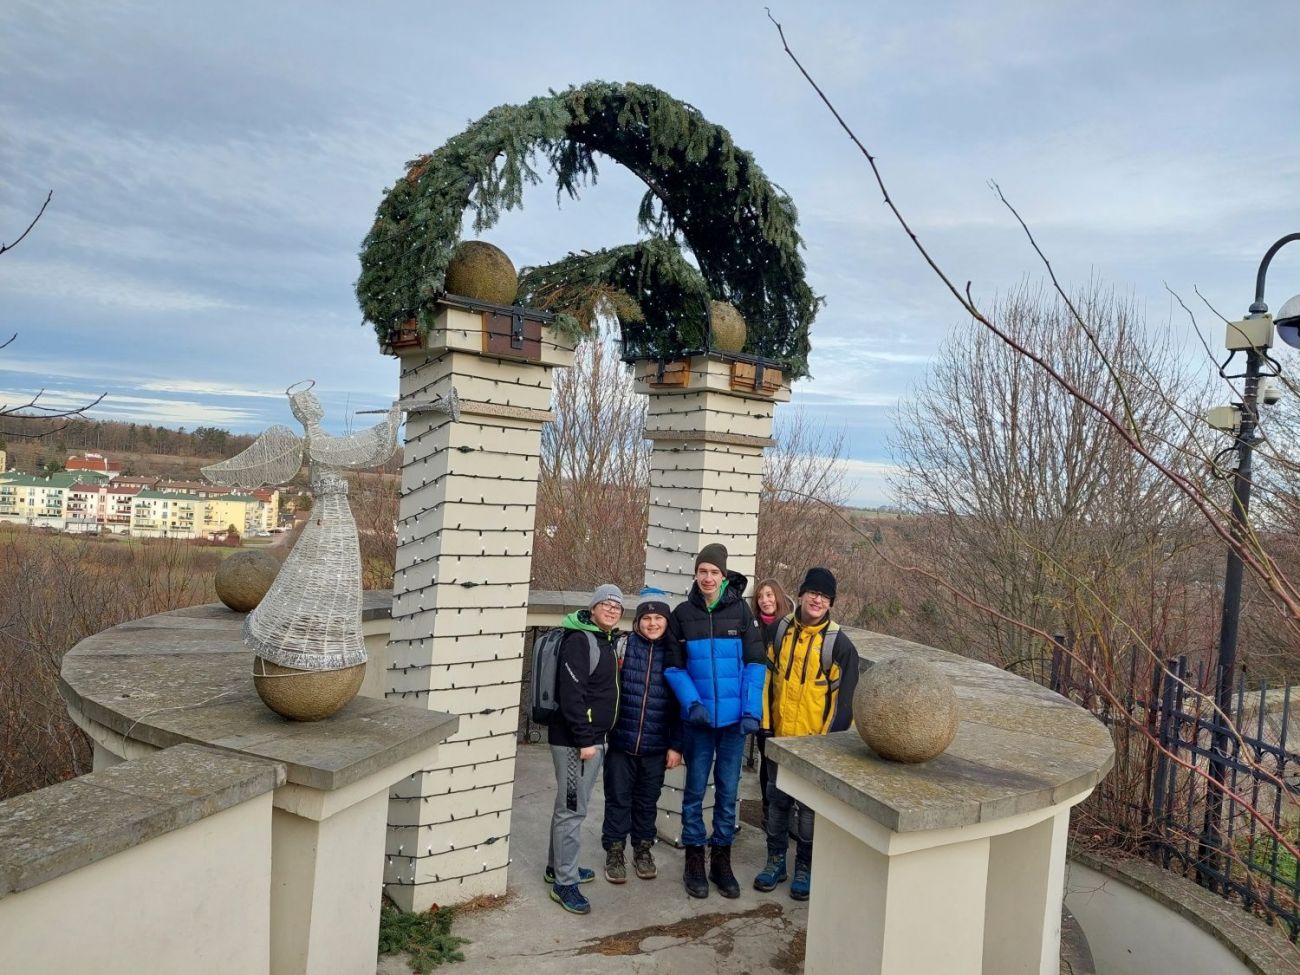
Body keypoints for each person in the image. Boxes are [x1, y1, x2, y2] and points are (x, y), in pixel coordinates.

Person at [665, 543, 766, 899]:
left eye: (714, 572)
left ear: (723, 577)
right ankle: (694, 857)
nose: (708, 578)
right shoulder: (681, 615)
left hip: (734, 725)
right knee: (694, 791)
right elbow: (674, 667)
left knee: (727, 791)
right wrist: (692, 702)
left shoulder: (740, 612)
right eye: (702, 571)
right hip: (699, 722)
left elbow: (755, 663)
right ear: (695, 574)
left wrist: (751, 710)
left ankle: (721, 859)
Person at [755, 566, 859, 901]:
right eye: (813, 593)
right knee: (777, 803)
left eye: (825, 596)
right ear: (800, 595)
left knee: (809, 812)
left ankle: (805, 866)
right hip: (779, 737)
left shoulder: (839, 646)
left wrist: (827, 746)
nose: (818, 600)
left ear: (831, 603)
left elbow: (846, 704)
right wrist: (765, 725)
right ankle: (775, 861)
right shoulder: (780, 631)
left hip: (815, 745)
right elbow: (765, 679)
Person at [546, 584, 623, 914]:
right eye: (606, 604)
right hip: (576, 743)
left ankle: (557, 868)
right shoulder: (580, 640)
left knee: (567, 805)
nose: (612, 609)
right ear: (592, 608)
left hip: (589, 739)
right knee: (572, 810)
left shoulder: (603, 639)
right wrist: (585, 740)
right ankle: (565, 883)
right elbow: (571, 695)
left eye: (617, 606)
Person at [601, 591, 683, 883]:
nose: (652, 623)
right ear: (637, 622)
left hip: (656, 745)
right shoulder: (623, 646)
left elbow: (680, 705)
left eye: (658, 618)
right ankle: (614, 850)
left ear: (667, 622)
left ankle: (643, 849)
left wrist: (676, 745)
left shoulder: (674, 653)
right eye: (646, 618)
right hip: (621, 741)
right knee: (617, 799)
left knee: (647, 802)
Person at [750, 578, 795, 824]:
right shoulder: (753, 628)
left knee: (788, 766)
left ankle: (786, 815)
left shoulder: (792, 628)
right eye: (760, 597)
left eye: (769, 595)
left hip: (787, 706)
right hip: (762, 706)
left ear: (778, 596)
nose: (765, 600)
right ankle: (769, 813)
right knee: (768, 764)